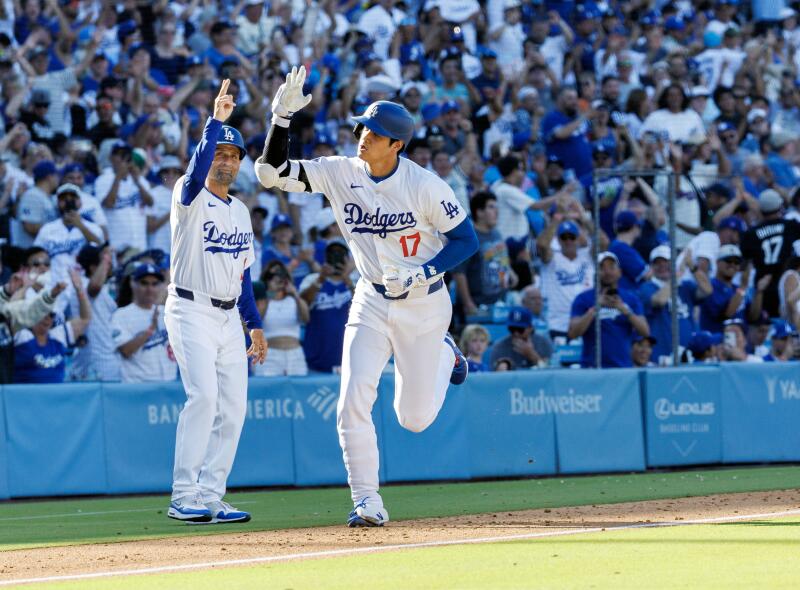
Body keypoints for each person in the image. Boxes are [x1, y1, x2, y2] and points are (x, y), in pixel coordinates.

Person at [254, 67, 478, 527]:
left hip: (424, 303)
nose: (364, 137)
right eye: (363, 128)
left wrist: (423, 271)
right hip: (371, 299)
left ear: (397, 145)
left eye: (375, 134)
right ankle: (367, 501)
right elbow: (273, 173)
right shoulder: (339, 171)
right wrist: (280, 119)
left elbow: (466, 240)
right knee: (352, 397)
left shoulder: (425, 185)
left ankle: (444, 354)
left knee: (413, 419)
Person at [164, 81, 267, 525]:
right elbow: (196, 168)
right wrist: (217, 122)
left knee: (234, 408)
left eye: (233, 155)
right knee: (203, 397)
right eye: (220, 153)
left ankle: (210, 493)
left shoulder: (240, 210)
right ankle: (182, 494)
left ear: (241, 164)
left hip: (229, 316)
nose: (226, 160)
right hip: (190, 307)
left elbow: (242, 276)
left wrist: (254, 325)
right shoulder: (188, 197)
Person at [569, 251, 650, 368]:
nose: (607, 271)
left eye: (612, 267)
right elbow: (573, 333)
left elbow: (645, 331)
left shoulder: (631, 299)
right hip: (592, 367)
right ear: (595, 272)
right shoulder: (583, 299)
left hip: (622, 366)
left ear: (620, 272)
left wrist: (625, 310)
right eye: (602, 267)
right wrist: (595, 308)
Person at [13, 269, 91, 383]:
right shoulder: (21, 336)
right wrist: (25, 287)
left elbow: (85, 319)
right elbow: (9, 312)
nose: (47, 318)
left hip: (55, 398)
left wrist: (80, 290)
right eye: (41, 313)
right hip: (27, 398)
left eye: (51, 314)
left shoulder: (58, 336)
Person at [638, 245, 712, 363]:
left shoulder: (685, 286)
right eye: (658, 263)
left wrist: (692, 266)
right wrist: (678, 274)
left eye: (666, 262)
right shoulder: (647, 288)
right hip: (662, 356)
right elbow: (660, 300)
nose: (662, 266)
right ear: (652, 267)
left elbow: (707, 290)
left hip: (688, 355)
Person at [112, 263, 177, 382]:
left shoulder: (166, 312)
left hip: (169, 385)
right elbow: (125, 351)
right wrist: (150, 330)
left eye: (154, 284)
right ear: (133, 283)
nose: (150, 289)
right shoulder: (121, 315)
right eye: (144, 283)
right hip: (139, 387)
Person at [452, 191, 514, 316]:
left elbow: (501, 259)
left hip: (500, 304)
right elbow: (458, 273)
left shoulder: (496, 234)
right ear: (479, 212)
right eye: (491, 207)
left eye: (497, 207)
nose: (497, 212)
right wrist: (469, 304)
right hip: (479, 307)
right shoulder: (468, 238)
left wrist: (511, 273)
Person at [741, 189, 800, 317]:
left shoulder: (751, 234)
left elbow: (744, 262)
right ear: (779, 207)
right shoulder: (791, 225)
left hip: (762, 285)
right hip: (785, 283)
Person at [299, 241, 355, 373]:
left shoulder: (357, 280)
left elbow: (366, 307)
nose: (336, 258)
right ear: (325, 258)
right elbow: (303, 304)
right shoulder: (312, 279)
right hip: (317, 357)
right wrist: (321, 278)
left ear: (348, 259)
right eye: (332, 255)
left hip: (350, 359)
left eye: (340, 255)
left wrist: (347, 279)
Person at [536, 216, 594, 340]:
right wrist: (556, 219)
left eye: (572, 237)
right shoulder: (552, 259)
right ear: (558, 240)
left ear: (578, 239)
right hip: (558, 324)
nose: (568, 241)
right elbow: (541, 244)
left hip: (585, 323)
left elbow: (603, 242)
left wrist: (582, 215)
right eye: (564, 237)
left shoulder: (587, 256)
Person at [33, 183, 103, 284]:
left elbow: (100, 249)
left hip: (84, 283)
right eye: (63, 199)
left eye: (72, 198)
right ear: (58, 203)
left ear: (80, 202)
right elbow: (34, 256)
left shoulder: (93, 228)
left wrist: (80, 225)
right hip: (53, 283)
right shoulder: (47, 229)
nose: (68, 201)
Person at [254, 261, 309, 376]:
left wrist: (295, 294)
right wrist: (268, 295)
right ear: (267, 280)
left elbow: (306, 318)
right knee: (268, 393)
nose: (278, 280)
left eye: (281, 276)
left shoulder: (294, 300)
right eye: (273, 277)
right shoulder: (262, 302)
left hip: (295, 355)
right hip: (269, 356)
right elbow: (256, 322)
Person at [699, 245, 747, 334]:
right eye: (728, 261)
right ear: (717, 262)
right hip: (716, 343)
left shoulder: (736, 288)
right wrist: (743, 287)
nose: (732, 265)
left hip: (738, 343)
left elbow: (752, 317)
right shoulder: (710, 286)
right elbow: (726, 314)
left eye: (736, 262)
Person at [489, 306, 553, 370]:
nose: (516, 333)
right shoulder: (500, 346)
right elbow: (494, 374)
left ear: (530, 328)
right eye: (512, 329)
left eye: (520, 329)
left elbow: (551, 373)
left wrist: (532, 355)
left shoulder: (543, 343)